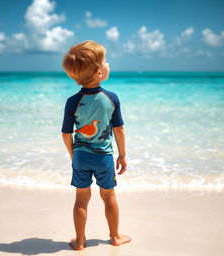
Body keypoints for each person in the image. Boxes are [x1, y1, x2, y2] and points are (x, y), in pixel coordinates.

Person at [61, 40, 131, 250]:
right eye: (106, 62)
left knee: (81, 198)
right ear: (99, 71)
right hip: (104, 157)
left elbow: (66, 133)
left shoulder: (72, 101)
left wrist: (74, 155)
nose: (108, 64)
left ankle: (80, 241)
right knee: (108, 195)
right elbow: (119, 129)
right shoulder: (111, 98)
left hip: (81, 156)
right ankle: (115, 236)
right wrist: (122, 155)